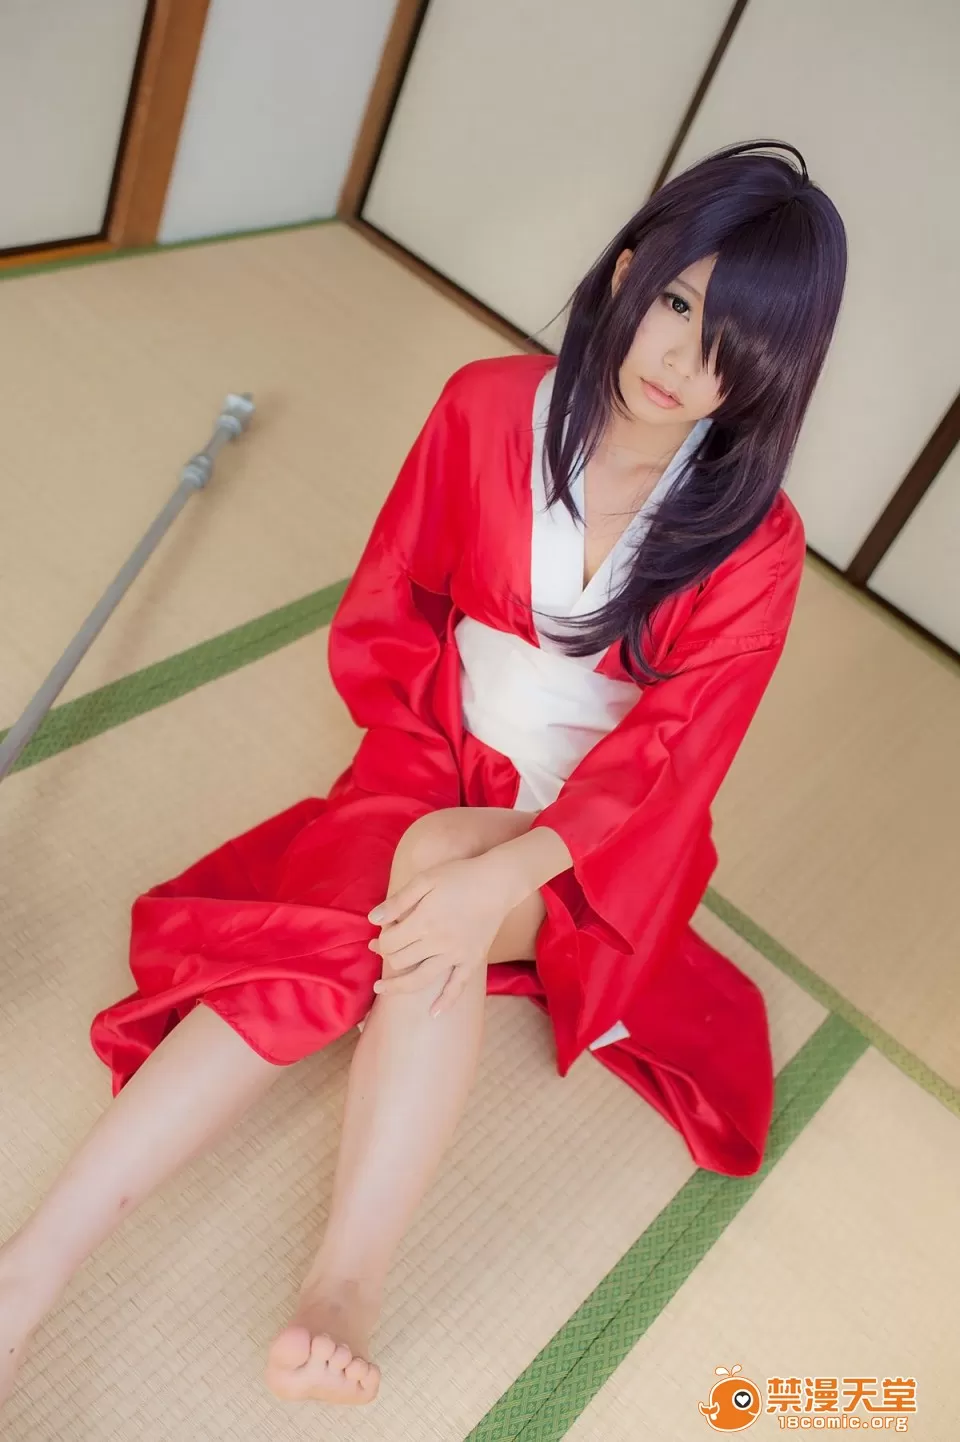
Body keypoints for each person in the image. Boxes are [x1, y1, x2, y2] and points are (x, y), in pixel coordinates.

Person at [0, 140, 846, 1411]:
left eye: (731, 345)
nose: (681, 359)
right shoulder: (487, 407)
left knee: (437, 872)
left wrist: (504, 864)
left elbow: (675, 759)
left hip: (600, 840)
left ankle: (345, 1280)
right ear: (631, 270)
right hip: (435, 755)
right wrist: (417, 782)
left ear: (771, 374)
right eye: (677, 301)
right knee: (347, 921)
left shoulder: (757, 542)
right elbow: (396, 609)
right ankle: (25, 1277)